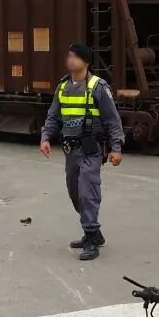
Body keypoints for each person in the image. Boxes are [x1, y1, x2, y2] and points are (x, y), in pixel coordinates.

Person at [39, 43, 124, 261]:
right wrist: (45, 138)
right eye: (69, 56)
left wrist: (116, 148)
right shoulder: (63, 87)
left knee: (88, 190)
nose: (70, 60)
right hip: (71, 151)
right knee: (74, 192)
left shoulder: (98, 87)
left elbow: (112, 120)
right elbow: (53, 116)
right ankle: (93, 232)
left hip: (91, 150)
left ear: (86, 62)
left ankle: (91, 235)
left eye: (75, 57)